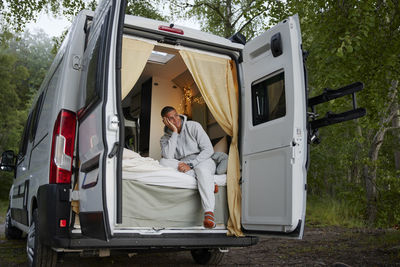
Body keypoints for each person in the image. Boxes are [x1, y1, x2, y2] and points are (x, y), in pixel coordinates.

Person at [159, 106, 217, 228]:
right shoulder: (164, 139)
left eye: (176, 115)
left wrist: (191, 165)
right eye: (171, 118)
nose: (176, 119)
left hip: (202, 160)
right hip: (183, 165)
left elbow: (208, 150)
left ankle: (209, 213)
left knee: (201, 170)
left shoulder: (193, 126)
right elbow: (168, 157)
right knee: (163, 162)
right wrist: (174, 132)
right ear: (165, 121)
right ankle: (209, 183)